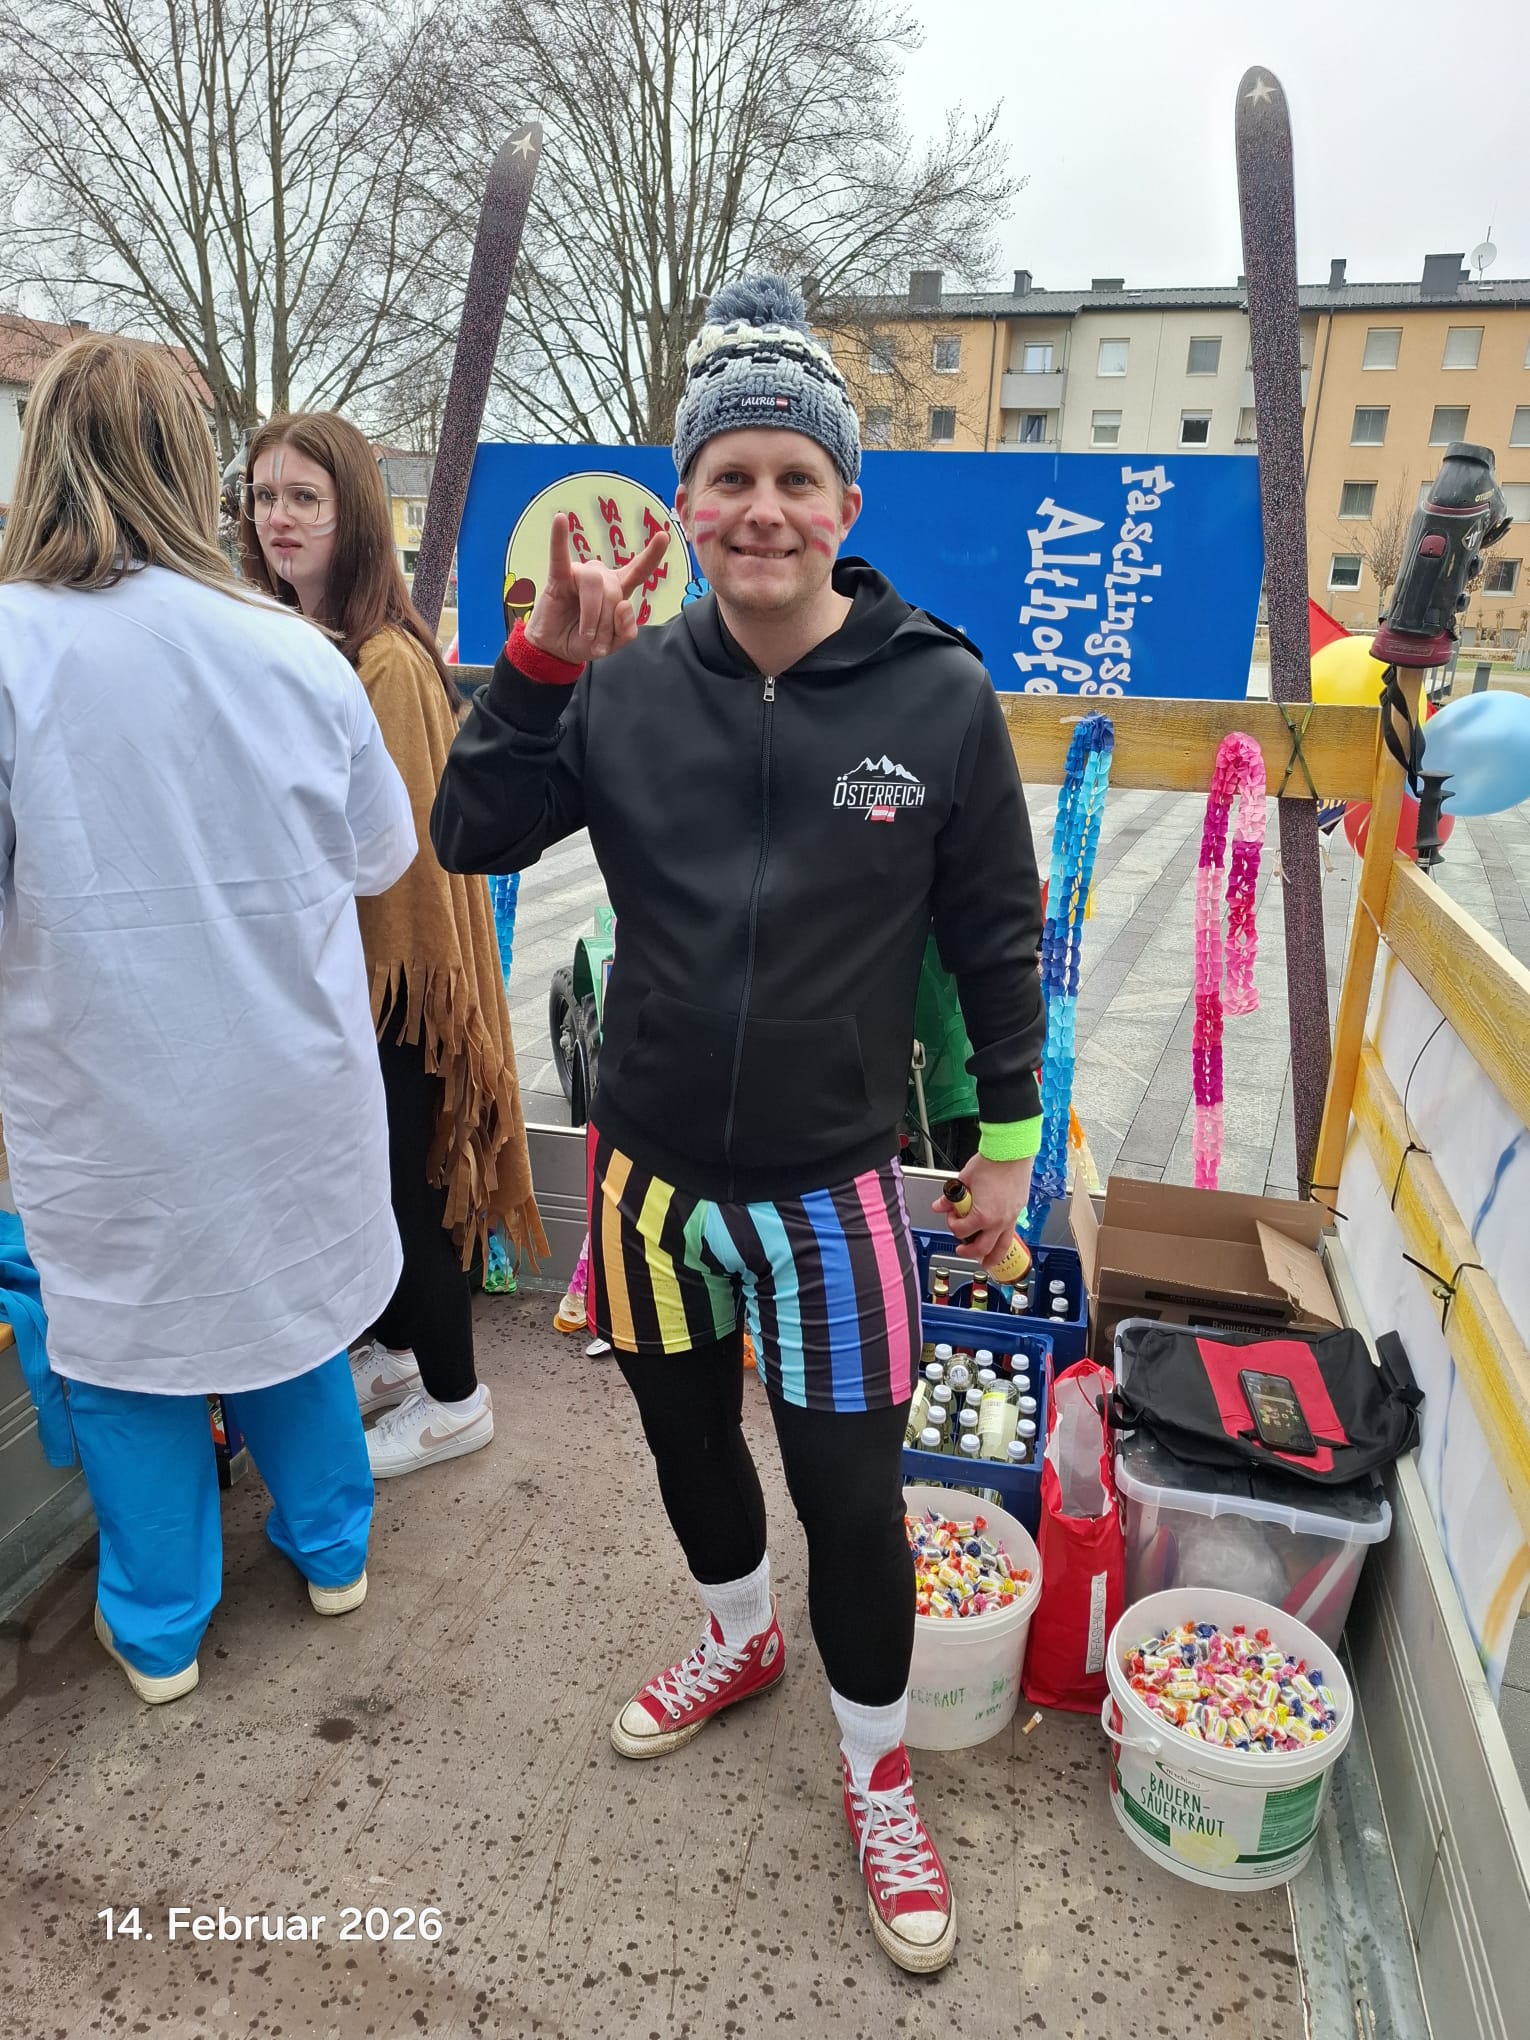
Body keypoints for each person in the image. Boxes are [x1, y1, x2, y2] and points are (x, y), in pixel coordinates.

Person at [431, 276, 1045, 1975]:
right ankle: (736, 1639)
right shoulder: (623, 684)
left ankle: (877, 1773)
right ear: (685, 504)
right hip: (645, 1179)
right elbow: (471, 833)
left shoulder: (934, 696)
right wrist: (539, 668)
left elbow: (996, 931)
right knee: (688, 1447)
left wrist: (1005, 1139)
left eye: (794, 477)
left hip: (831, 1189)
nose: (762, 507)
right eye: (730, 478)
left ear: (846, 503)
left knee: (850, 1498)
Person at [0, 337, 418, 1703]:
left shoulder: (8, 649)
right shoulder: (293, 650)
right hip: (287, 1078)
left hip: (105, 1089)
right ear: (195, 471)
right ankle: (332, 1549)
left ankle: (161, 1625)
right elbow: (381, 855)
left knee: (130, 1353)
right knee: (290, 1315)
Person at [239, 413, 545, 1478]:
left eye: (304, 499)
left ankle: (457, 1399)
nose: (278, 519)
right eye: (264, 496)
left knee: (409, 1184)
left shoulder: (385, 662)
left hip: (399, 982)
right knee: (367, 1184)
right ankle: (405, 1351)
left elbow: (405, 861)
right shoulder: (304, 640)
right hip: (345, 973)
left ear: (354, 516)